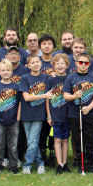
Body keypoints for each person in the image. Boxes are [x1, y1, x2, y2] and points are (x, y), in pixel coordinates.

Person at [64, 52, 93, 174]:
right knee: (78, 139)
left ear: (89, 64)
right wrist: (75, 96)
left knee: (90, 139)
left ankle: (90, 164)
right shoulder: (71, 77)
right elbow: (65, 96)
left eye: (86, 63)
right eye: (81, 62)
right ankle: (81, 164)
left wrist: (89, 108)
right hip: (75, 114)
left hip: (90, 114)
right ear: (76, 64)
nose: (83, 65)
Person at [19, 54, 52, 175]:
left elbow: (50, 95)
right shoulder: (25, 78)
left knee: (32, 141)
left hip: (39, 114)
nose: (36, 64)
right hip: (26, 114)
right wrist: (44, 95)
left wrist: (49, 115)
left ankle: (27, 165)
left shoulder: (46, 78)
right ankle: (40, 163)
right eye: (33, 63)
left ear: (41, 63)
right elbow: (26, 98)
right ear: (28, 65)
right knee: (31, 142)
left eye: (37, 62)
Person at [0, 59, 20, 175]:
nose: (5, 72)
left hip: (14, 120)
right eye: (3, 70)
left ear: (12, 71)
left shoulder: (16, 86)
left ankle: (13, 166)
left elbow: (20, 103)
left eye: (8, 70)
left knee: (13, 146)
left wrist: (18, 117)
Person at [46, 53, 71, 174]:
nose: (60, 65)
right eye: (57, 63)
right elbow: (47, 98)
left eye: (62, 63)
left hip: (67, 114)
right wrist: (49, 115)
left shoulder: (70, 78)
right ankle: (59, 164)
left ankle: (65, 163)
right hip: (55, 114)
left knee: (65, 140)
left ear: (67, 65)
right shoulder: (51, 79)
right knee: (57, 140)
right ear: (54, 65)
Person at [38, 34, 57, 167]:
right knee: (41, 132)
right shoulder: (36, 61)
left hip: (54, 103)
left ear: (53, 46)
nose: (46, 46)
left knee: (53, 131)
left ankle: (52, 153)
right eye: (44, 44)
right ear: (40, 46)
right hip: (38, 103)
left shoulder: (57, 62)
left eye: (49, 43)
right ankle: (42, 155)